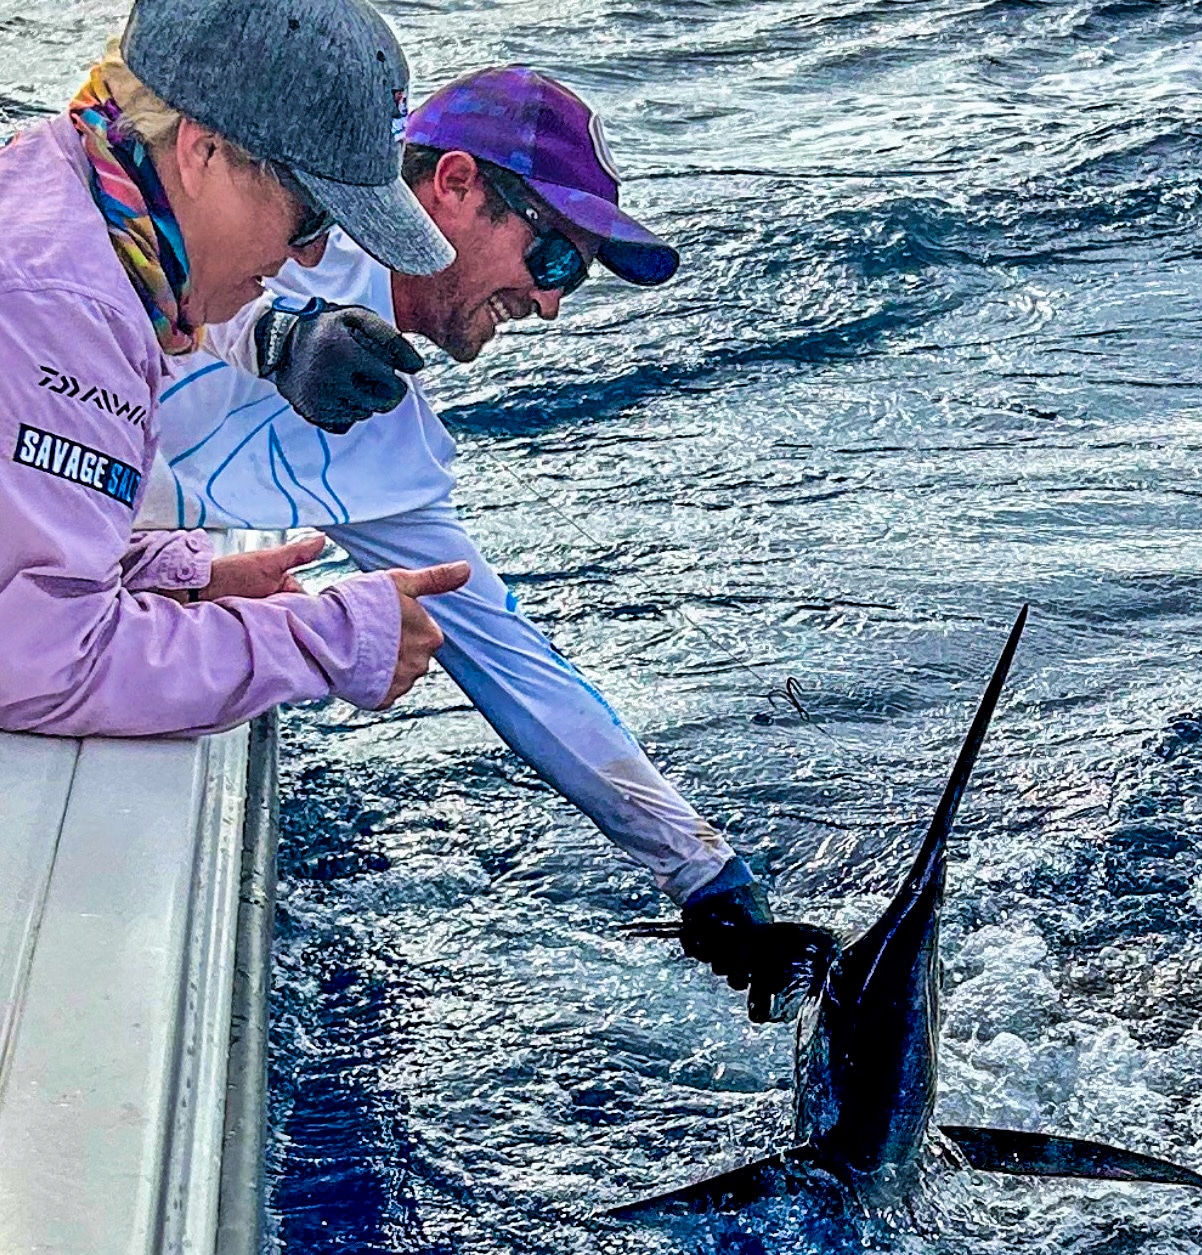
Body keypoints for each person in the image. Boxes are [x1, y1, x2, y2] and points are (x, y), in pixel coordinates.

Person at [149, 67, 783, 1020]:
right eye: (553, 259)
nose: (552, 302)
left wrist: (701, 873)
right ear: (453, 184)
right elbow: (122, 244)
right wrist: (276, 337)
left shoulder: (383, 431)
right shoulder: (287, 213)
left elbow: (513, 661)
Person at [0, 0, 473, 740]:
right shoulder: (65, 312)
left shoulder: (60, 198)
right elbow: (41, 664)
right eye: (312, 215)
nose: (312, 257)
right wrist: (326, 639)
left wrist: (170, 574)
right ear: (202, 153)